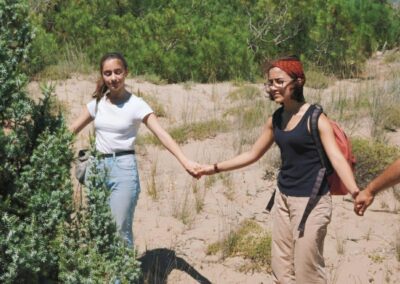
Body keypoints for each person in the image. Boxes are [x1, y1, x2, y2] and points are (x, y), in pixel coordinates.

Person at [197, 56, 360, 284]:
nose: (272, 87)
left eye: (278, 82)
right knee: (281, 270)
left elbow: (335, 157)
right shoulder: (276, 118)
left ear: (298, 81)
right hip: (283, 198)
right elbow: (252, 154)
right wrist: (213, 168)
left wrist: (355, 191)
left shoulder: (315, 117)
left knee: (308, 271)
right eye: (269, 83)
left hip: (312, 202)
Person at [69, 52, 199, 247]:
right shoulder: (96, 104)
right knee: (99, 227)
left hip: (123, 169)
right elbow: (71, 130)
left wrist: (185, 160)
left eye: (117, 72)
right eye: (108, 73)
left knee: (120, 228)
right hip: (97, 168)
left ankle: (122, 276)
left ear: (126, 73)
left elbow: (162, 134)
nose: (113, 78)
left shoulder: (137, 104)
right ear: (102, 75)